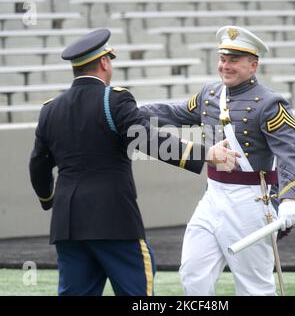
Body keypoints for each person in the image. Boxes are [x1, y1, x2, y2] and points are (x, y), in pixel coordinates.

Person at [28, 28, 238, 296]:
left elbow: (38, 164)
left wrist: (48, 200)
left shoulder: (50, 108)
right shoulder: (113, 99)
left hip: (67, 224)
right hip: (114, 220)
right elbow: (147, 139)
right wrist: (205, 153)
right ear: (104, 62)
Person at [139, 26, 295, 296]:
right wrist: (128, 112)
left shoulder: (272, 104)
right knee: (193, 275)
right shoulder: (210, 94)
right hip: (212, 196)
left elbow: (289, 155)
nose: (225, 66)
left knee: (254, 287)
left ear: (253, 65)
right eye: (223, 59)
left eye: (234, 60)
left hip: (251, 202)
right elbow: (173, 112)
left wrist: (288, 200)